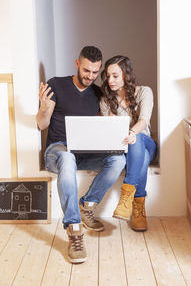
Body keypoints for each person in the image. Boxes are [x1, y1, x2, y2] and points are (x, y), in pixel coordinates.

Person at [36, 46, 125, 264]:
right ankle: (74, 229)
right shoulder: (56, 84)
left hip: (84, 151)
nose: (90, 76)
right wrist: (44, 108)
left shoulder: (97, 93)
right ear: (77, 63)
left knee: (118, 159)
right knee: (67, 157)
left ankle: (88, 205)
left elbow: (99, 130)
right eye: (86, 70)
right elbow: (41, 124)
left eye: (95, 72)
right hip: (58, 150)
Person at [100, 55, 156, 232]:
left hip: (146, 142)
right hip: (123, 148)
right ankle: (138, 206)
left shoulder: (144, 92)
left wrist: (132, 132)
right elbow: (109, 131)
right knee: (143, 159)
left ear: (126, 75)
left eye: (115, 75)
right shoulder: (105, 100)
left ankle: (127, 193)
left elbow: (144, 120)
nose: (110, 80)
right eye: (108, 76)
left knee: (138, 139)